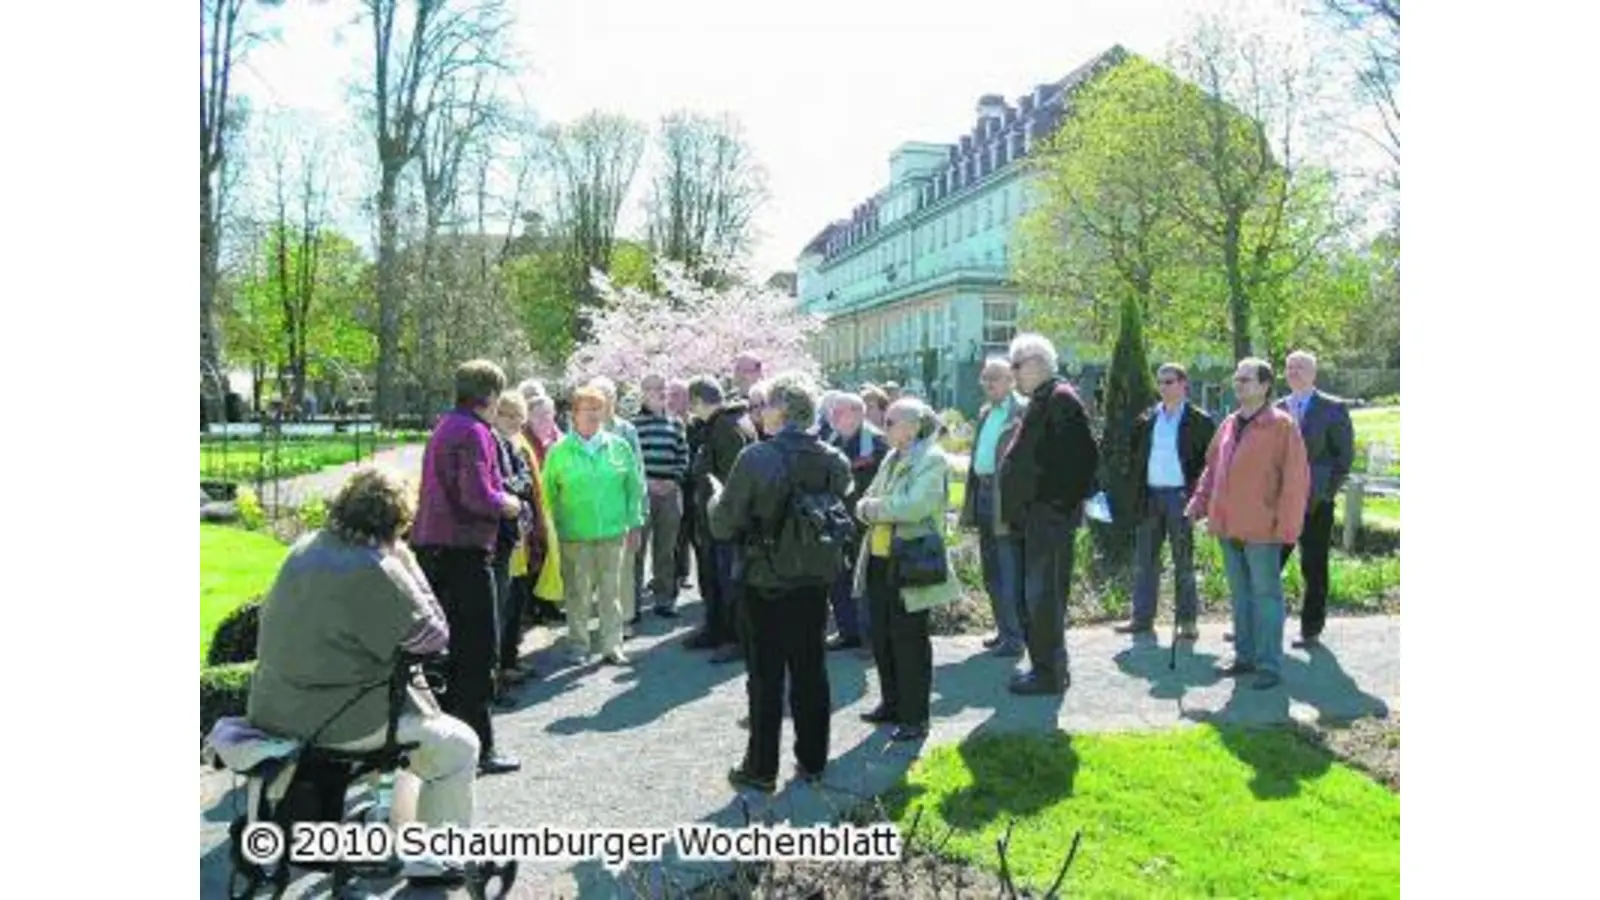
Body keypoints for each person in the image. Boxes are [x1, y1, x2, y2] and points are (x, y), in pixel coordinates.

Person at [248, 467, 477, 887]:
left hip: (271, 708)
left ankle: (394, 826)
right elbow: (434, 637)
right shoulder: (376, 567)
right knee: (459, 745)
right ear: (396, 524)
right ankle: (434, 860)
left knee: (412, 737)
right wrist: (407, 563)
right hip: (336, 720)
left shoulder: (303, 547)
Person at [705, 372, 852, 792]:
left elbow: (722, 523)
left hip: (765, 578)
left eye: (765, 404)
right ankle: (813, 762)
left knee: (766, 676)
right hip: (814, 578)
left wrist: (717, 497)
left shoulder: (756, 458)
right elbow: (840, 495)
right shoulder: (832, 458)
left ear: (782, 410)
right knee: (811, 669)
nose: (758, 412)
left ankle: (761, 768)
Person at [410, 359, 522, 774]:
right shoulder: (475, 431)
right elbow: (478, 497)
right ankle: (479, 749)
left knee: (445, 654)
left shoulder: (444, 426)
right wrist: (509, 503)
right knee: (476, 655)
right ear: (492, 396)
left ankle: (444, 745)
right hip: (462, 555)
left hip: (433, 551)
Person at [1186, 358, 1311, 691]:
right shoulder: (1228, 423)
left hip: (1263, 529)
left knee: (1266, 596)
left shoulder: (1282, 426)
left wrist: (1286, 528)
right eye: (1236, 378)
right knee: (1240, 595)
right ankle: (1244, 657)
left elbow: (1295, 481)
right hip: (1227, 525)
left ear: (1265, 385)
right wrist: (1199, 502)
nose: (1238, 384)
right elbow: (1212, 470)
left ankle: (1269, 665)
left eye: (1246, 379)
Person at [854, 397, 961, 741]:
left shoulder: (931, 459)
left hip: (910, 562)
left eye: (889, 422)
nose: (883, 428)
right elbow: (864, 499)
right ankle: (892, 704)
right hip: (880, 559)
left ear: (913, 426)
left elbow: (915, 506)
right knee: (882, 636)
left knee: (909, 640)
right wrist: (875, 507)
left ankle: (915, 718)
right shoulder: (892, 457)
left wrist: (874, 509)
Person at [999, 334, 1099, 695]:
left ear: (1039, 362)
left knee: (1044, 598)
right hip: (1034, 521)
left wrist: (1055, 508)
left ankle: (1049, 673)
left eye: (1017, 365)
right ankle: (1045, 667)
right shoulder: (1043, 400)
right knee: (1035, 598)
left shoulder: (1060, 399)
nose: (1013, 374)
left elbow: (1084, 460)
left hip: (1048, 521)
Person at [541, 386, 645, 667]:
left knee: (612, 594)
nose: (594, 415)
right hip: (574, 535)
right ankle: (578, 645)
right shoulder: (559, 451)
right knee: (578, 594)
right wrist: (551, 529)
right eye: (587, 409)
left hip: (613, 534)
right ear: (574, 414)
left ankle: (613, 646)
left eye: (598, 409)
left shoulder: (619, 446)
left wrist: (635, 523)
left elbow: (633, 489)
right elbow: (546, 493)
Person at [1118, 363, 1216, 640]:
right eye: (1160, 382)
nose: (1163, 387)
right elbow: (1135, 459)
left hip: (1181, 498)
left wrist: (1200, 498)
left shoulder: (1200, 421)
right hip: (1150, 497)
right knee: (1145, 560)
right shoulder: (1147, 419)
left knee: (1183, 561)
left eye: (1169, 381)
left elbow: (1210, 464)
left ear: (1184, 384)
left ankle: (1187, 621)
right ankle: (1141, 618)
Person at [1278, 350, 1354, 649]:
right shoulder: (1277, 409)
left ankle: (1310, 630)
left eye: (1300, 367)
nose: (1294, 372)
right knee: (1269, 565)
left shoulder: (1333, 408)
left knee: (1314, 566)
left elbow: (1344, 458)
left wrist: (1325, 492)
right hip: (1280, 503)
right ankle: (1262, 623)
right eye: (1289, 367)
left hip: (1315, 504)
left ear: (1313, 373)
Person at [958, 358, 1028, 657]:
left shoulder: (1022, 411)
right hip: (984, 492)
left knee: (1008, 568)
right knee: (991, 569)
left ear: (1011, 379)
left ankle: (1016, 637)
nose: (987, 384)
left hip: (1007, 499)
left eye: (994, 378)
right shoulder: (986, 412)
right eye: (984, 378)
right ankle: (1003, 630)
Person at [684, 376, 757, 662]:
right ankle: (715, 629)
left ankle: (735, 638)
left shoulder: (726, 427)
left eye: (692, 404)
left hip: (726, 519)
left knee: (730, 581)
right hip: (713, 518)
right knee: (713, 577)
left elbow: (732, 480)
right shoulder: (722, 424)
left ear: (699, 402)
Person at [824, 392, 888, 651]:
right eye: (833, 412)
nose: (834, 416)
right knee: (838, 578)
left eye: (841, 412)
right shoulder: (833, 439)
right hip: (838, 520)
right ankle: (847, 631)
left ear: (859, 414)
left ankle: (870, 638)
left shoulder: (876, 443)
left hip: (866, 522)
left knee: (867, 582)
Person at [490, 390, 545, 694]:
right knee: (503, 603)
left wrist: (515, 487)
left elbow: (524, 481)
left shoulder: (515, 444)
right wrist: (515, 487)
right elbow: (502, 484)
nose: (513, 421)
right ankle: (499, 668)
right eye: (507, 415)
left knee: (516, 601)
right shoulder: (491, 442)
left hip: (519, 534)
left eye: (517, 416)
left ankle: (510, 659)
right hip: (502, 536)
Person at [588, 376, 648, 629]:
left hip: (621, 510)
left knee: (623, 571)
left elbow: (637, 473)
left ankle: (622, 621)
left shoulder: (627, 430)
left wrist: (638, 513)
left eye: (606, 397)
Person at [633, 373, 691, 617]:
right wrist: (645, 482)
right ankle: (631, 604)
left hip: (669, 493)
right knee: (637, 549)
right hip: (642, 494)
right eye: (653, 388)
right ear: (643, 392)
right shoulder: (633, 424)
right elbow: (630, 461)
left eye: (662, 388)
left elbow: (684, 456)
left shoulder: (676, 423)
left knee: (666, 550)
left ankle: (665, 599)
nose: (659, 392)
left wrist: (673, 480)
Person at [667, 378, 696, 590]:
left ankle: (683, 572)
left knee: (687, 531)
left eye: (677, 395)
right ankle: (671, 572)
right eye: (670, 395)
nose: (672, 400)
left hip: (692, 485)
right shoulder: (666, 423)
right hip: (672, 483)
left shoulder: (696, 424)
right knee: (672, 532)